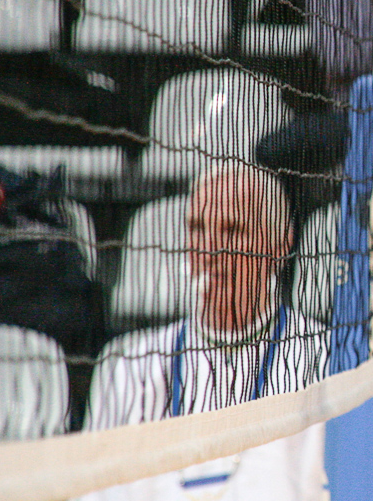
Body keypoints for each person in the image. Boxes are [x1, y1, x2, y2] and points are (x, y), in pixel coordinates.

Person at [79, 164, 329, 500]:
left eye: (233, 230)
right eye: (197, 228)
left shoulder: (322, 358)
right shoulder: (130, 365)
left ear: (279, 246)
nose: (210, 250)